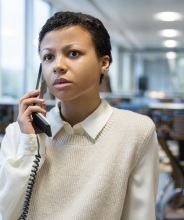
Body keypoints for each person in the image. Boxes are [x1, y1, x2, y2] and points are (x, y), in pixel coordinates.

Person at [0, 11, 159, 220]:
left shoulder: (136, 131)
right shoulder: (18, 133)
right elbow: (6, 213)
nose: (57, 65)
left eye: (73, 53)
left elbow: (140, 215)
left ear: (104, 63)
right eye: (48, 57)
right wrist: (30, 146)